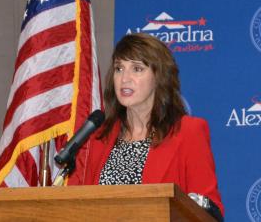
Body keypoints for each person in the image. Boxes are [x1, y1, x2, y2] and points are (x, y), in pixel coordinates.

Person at [67, 33, 224, 221]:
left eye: (137, 69)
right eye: (119, 68)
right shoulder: (99, 138)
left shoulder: (188, 132)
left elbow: (209, 212)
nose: (125, 78)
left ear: (158, 77)